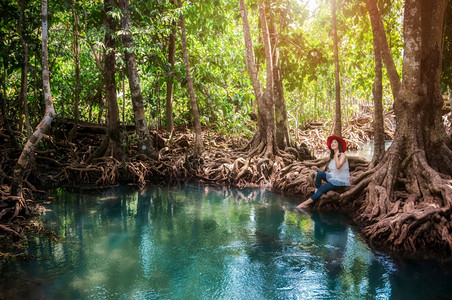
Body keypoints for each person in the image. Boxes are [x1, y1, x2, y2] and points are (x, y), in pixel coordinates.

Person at [296, 135, 350, 210]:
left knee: (322, 189)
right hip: (333, 176)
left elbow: (338, 166)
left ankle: (305, 204)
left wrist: (336, 155)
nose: (333, 143)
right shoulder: (333, 156)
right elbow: (333, 170)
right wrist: (335, 155)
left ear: (339, 145)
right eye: (332, 142)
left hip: (339, 180)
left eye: (335, 142)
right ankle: (316, 191)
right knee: (320, 174)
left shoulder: (342, 155)